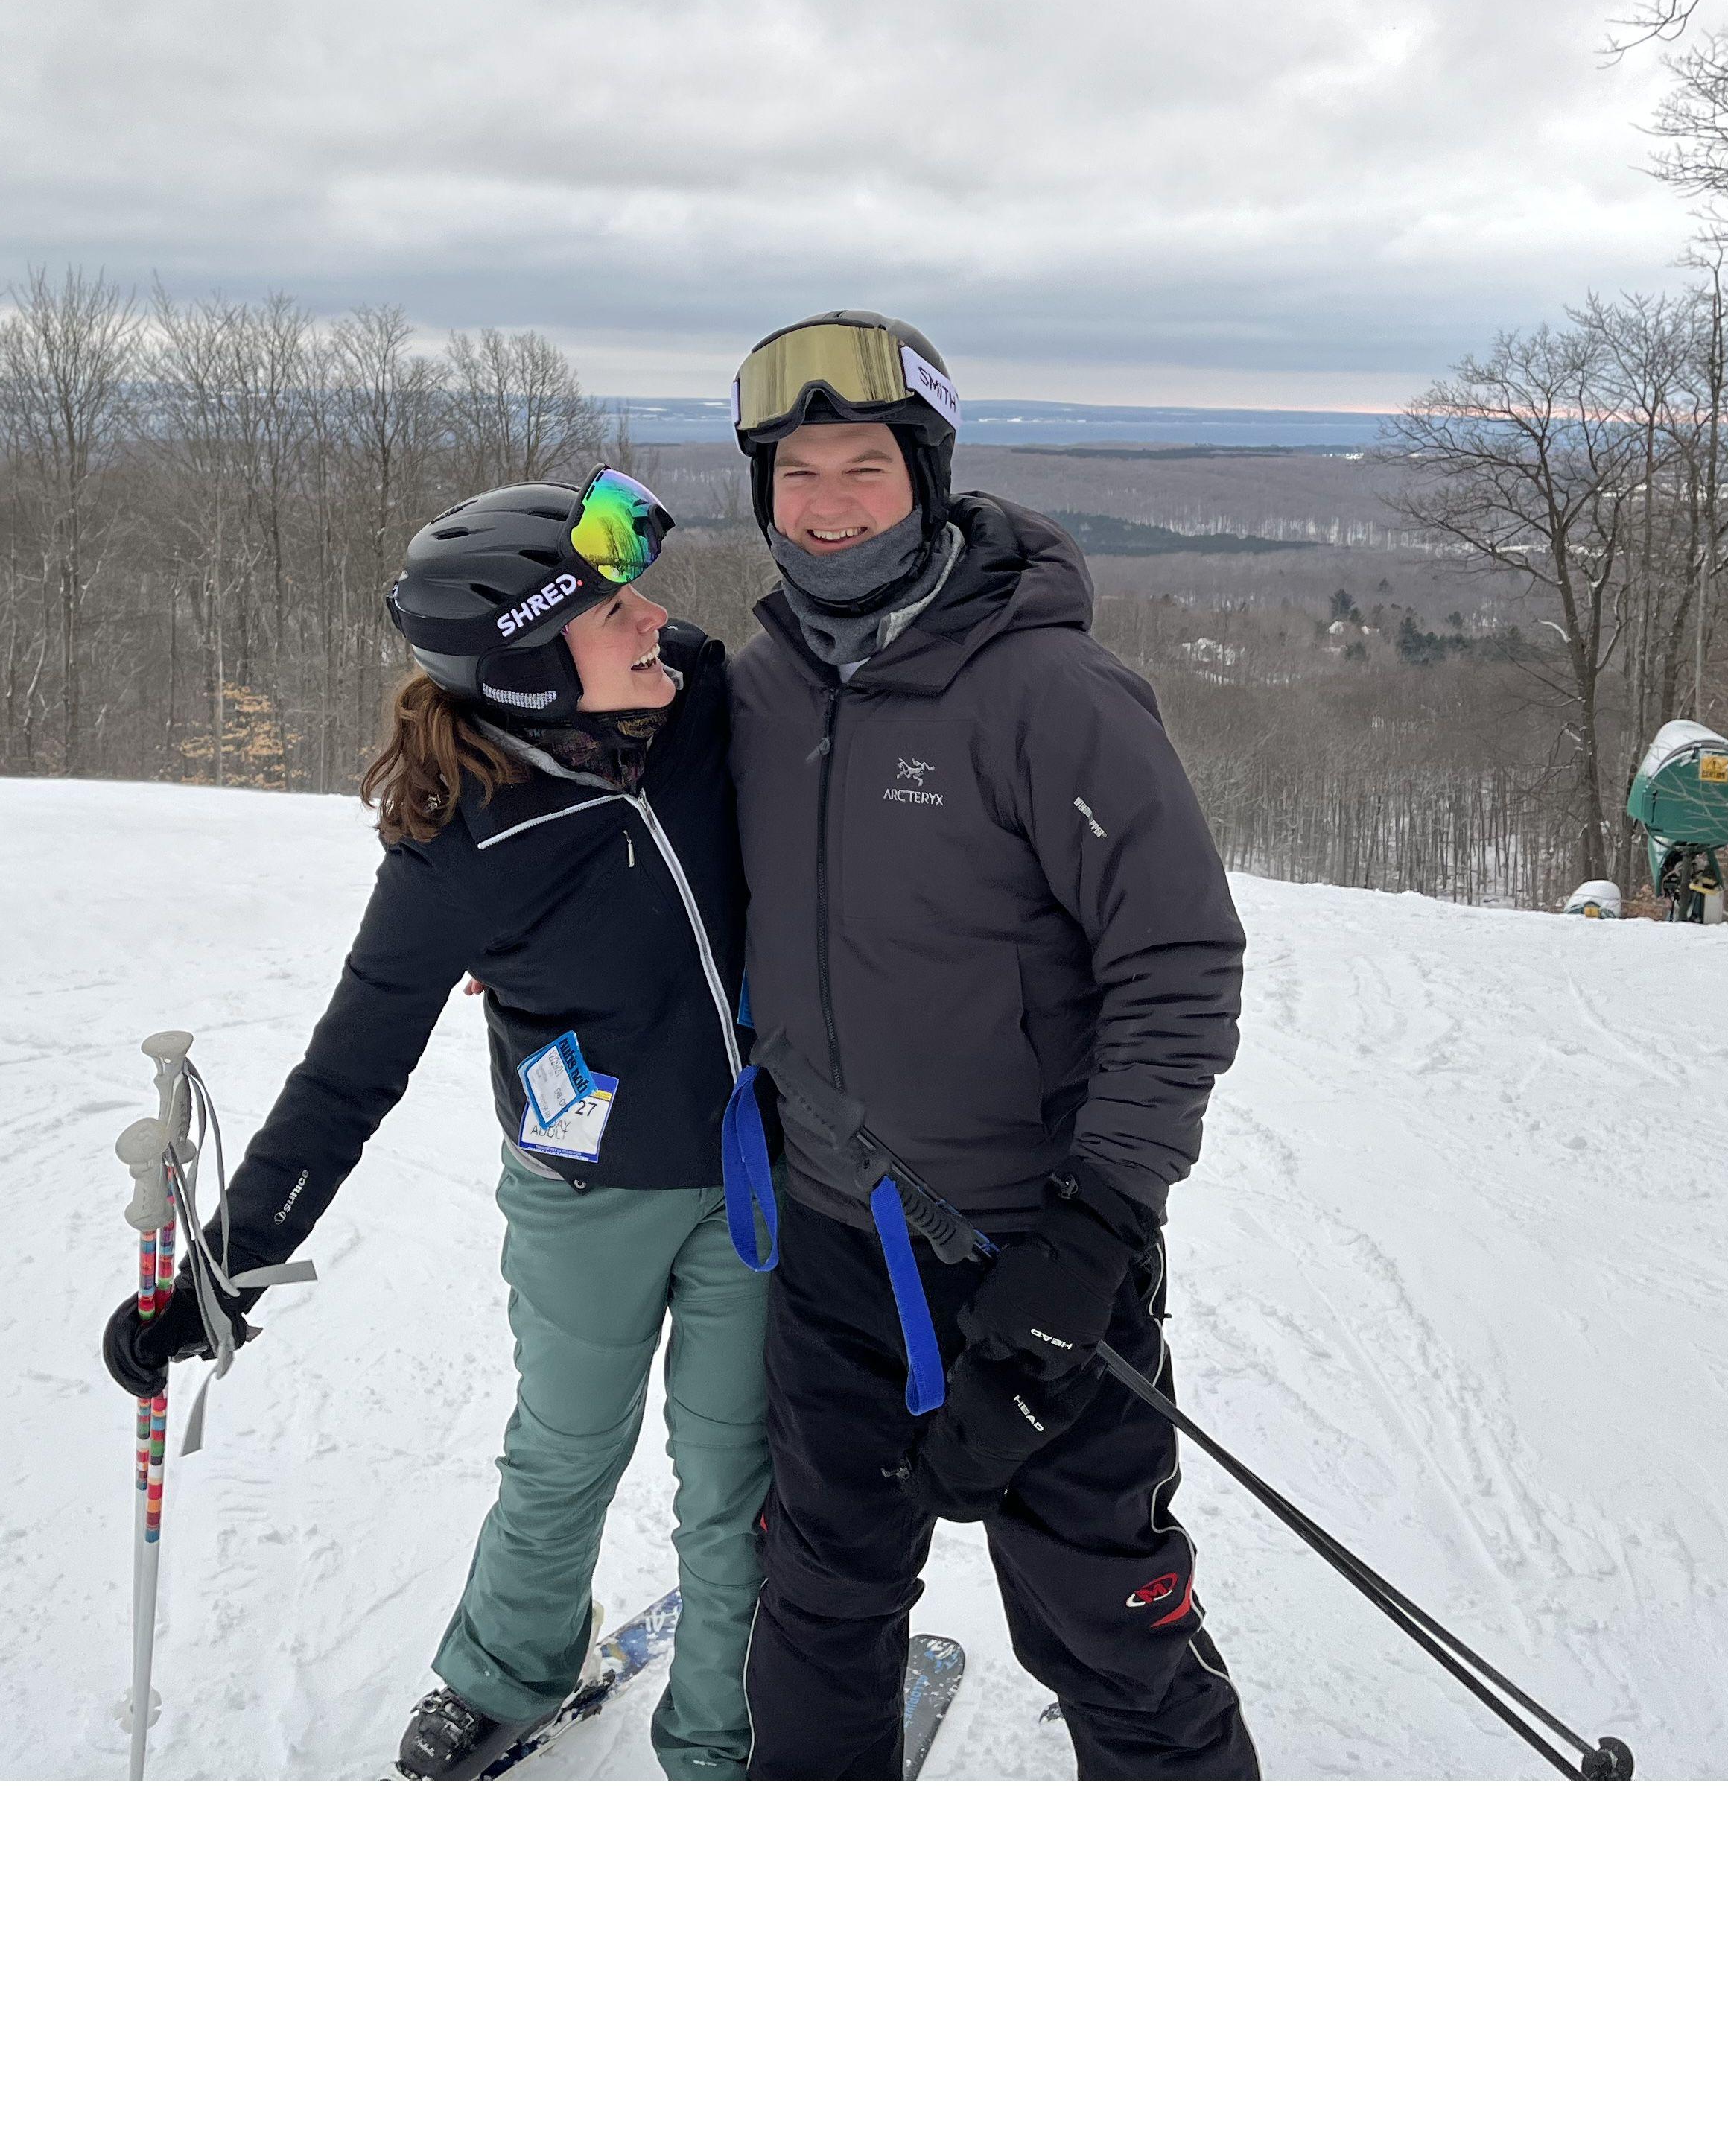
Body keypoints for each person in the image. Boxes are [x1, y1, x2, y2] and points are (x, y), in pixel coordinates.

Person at [101, 472, 766, 1780]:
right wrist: (216, 1278)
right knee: (563, 1449)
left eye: (637, 598)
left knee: (735, 1476)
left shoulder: (706, 707)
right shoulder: (458, 850)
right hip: (587, 1200)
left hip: (758, 1176)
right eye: (614, 612)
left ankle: (727, 1735)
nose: (660, 621)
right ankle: (506, 1672)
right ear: (526, 672)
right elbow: (348, 1075)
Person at [721, 311, 1260, 1780]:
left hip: (1035, 1258)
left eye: (864, 469)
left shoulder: (1053, 696)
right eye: (798, 474)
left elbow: (1179, 959)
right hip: (837, 1248)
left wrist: (1091, 1238)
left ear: (931, 479)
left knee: (1108, 1627)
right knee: (820, 1608)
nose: (827, 507)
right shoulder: (758, 694)